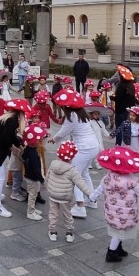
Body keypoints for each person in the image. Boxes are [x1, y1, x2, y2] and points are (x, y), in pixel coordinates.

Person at [90, 146, 139, 261]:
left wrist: (92, 198)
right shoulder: (132, 182)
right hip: (126, 214)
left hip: (112, 212)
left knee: (118, 231)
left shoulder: (107, 178)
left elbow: (98, 190)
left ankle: (118, 249)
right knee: (118, 233)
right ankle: (111, 253)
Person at [49, 89, 100, 220]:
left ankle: (80, 206)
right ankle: (92, 199)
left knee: (75, 176)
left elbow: (63, 132)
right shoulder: (82, 113)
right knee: (84, 173)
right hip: (93, 146)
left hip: (84, 148)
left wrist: (54, 139)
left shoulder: (71, 116)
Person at [0, 99, 31, 218]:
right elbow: (5, 138)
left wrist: (19, 145)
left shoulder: (8, 117)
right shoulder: (13, 120)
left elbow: (11, 136)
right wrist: (14, 149)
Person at [45, 141, 95, 243]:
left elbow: (47, 177)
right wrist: (91, 194)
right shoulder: (72, 170)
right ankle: (69, 234)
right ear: (72, 157)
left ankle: (53, 233)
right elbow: (81, 183)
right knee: (67, 215)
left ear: (58, 153)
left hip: (53, 195)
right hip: (64, 197)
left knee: (53, 214)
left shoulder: (53, 164)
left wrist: (47, 187)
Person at [20, 124, 47, 221]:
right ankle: (30, 212)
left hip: (29, 176)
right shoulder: (33, 154)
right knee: (32, 194)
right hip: (33, 178)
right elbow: (36, 169)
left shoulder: (27, 149)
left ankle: (32, 209)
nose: (40, 141)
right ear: (34, 141)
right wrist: (42, 179)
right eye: (39, 140)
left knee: (32, 193)